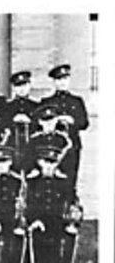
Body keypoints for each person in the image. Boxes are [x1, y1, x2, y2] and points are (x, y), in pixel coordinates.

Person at [26, 145, 77, 263]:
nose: (48, 166)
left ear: (57, 164)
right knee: (39, 235)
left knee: (68, 236)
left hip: (59, 221)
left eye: (52, 162)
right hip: (38, 221)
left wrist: (72, 221)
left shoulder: (64, 182)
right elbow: (26, 203)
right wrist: (33, 220)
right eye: (44, 162)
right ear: (39, 162)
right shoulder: (32, 182)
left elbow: (73, 203)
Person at [40, 64, 89, 198]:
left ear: (69, 80)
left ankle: (70, 210)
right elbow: (39, 123)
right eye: (59, 79)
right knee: (51, 179)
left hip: (72, 146)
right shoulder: (47, 101)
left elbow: (84, 123)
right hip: (51, 146)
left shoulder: (77, 101)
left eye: (65, 79)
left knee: (70, 178)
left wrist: (72, 120)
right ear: (54, 82)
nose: (62, 82)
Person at [5, 70, 39, 169]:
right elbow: (2, 125)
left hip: (32, 149)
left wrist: (30, 121)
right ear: (14, 88)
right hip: (12, 148)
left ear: (29, 85)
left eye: (24, 85)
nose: (21, 89)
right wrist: (12, 121)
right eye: (18, 86)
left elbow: (41, 126)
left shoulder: (36, 106)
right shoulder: (7, 106)